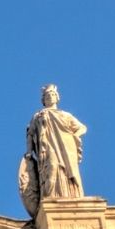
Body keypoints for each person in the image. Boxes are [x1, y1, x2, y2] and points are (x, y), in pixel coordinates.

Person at [16, 85, 87, 214]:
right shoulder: (38, 115)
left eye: (53, 94)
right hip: (48, 147)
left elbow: (82, 128)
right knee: (52, 168)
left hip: (66, 145)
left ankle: (72, 196)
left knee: (70, 173)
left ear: (57, 97)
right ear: (44, 100)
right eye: (47, 95)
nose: (50, 97)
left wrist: (75, 136)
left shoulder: (65, 115)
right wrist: (29, 151)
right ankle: (49, 197)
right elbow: (30, 134)